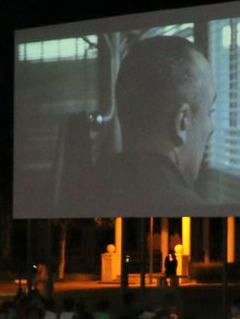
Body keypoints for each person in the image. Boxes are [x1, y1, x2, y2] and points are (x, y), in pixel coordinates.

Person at [89, 35, 217, 214]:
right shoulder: (198, 220)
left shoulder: (84, 192)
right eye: (210, 111)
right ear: (182, 122)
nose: (213, 127)